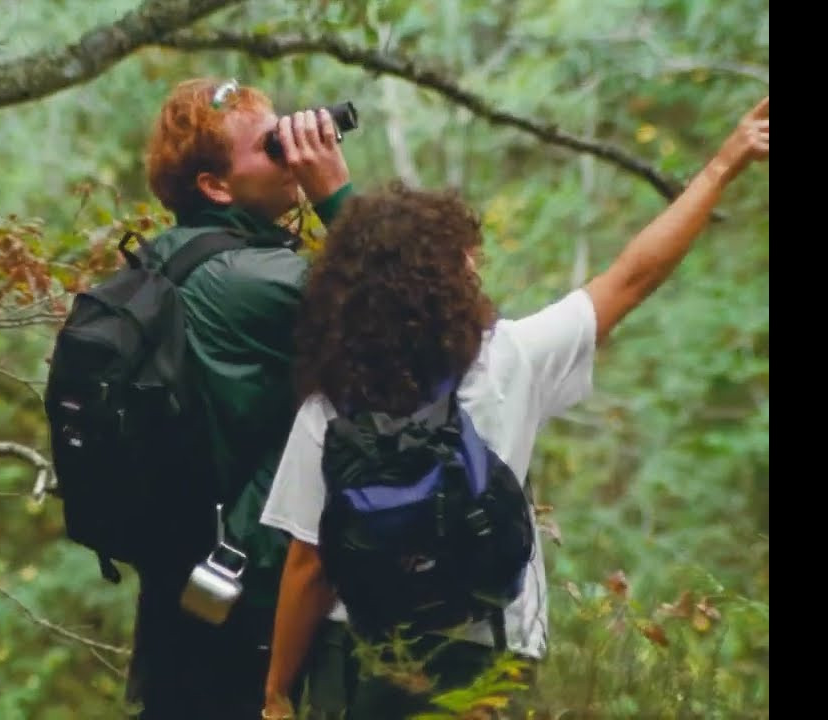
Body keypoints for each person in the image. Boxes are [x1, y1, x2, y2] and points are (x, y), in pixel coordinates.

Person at [259, 97, 770, 719]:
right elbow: (635, 275)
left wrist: (277, 692)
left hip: (364, 656)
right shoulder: (510, 362)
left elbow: (307, 565)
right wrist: (723, 165)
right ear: (449, 284)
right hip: (491, 655)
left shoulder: (332, 400)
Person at [123, 77, 354, 719]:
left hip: (189, 573)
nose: (294, 151)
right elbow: (410, 308)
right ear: (216, 187)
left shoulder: (167, 259)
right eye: (272, 145)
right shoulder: (250, 280)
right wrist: (334, 192)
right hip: (250, 587)